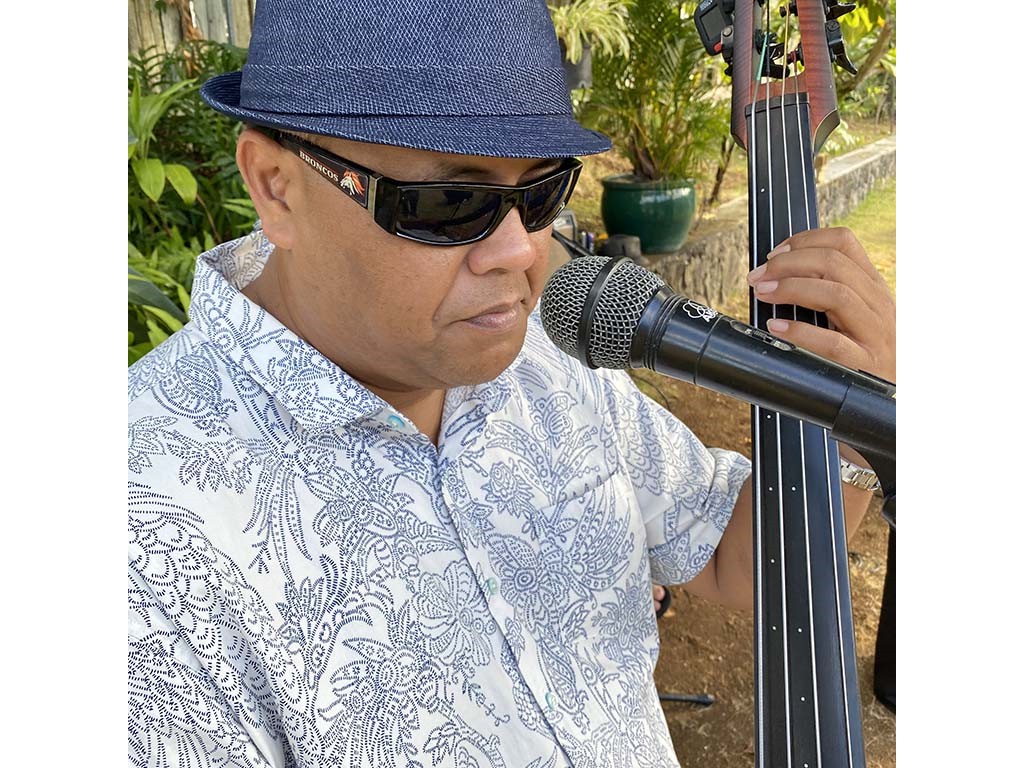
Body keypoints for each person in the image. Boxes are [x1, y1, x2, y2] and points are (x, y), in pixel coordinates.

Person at [127, 1, 896, 766]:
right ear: (275, 186)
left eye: (540, 194)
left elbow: (739, 559)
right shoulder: (145, 548)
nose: (520, 254)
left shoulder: (544, 350)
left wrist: (852, 412)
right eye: (450, 203)